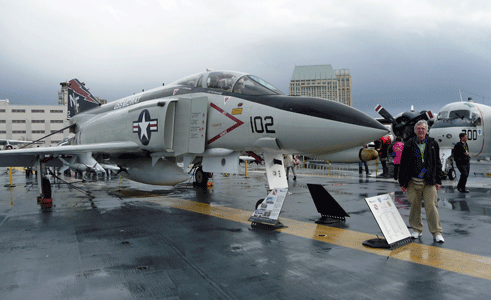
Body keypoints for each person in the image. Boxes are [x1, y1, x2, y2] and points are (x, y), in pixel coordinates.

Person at [399, 120, 445, 243]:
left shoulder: (433, 143)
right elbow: (403, 164)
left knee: (431, 207)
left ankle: (437, 232)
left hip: (429, 181)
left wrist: (438, 180)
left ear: (426, 130)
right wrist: (402, 182)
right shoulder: (409, 144)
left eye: (423, 128)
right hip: (413, 182)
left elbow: (437, 163)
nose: (420, 130)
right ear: (415, 131)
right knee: (415, 206)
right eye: (418, 128)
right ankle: (417, 229)